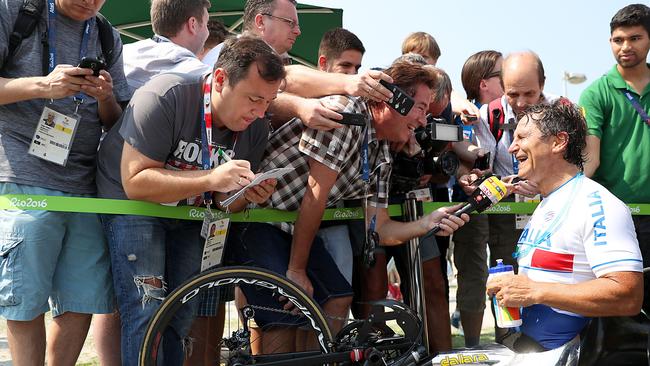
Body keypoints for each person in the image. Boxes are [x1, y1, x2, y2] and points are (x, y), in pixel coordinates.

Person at [228, 60, 469, 353]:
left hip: (287, 227)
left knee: (337, 297)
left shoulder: (381, 146)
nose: (423, 119)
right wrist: (296, 270)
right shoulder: (348, 113)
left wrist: (428, 223)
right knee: (288, 313)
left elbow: (379, 227)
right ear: (390, 100)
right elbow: (314, 197)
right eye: (419, 107)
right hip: (257, 221)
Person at [96, 36, 285, 366]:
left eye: (268, 102)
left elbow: (222, 203)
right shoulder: (166, 94)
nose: (259, 111)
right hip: (131, 202)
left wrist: (247, 196)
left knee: (183, 312)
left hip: (188, 212)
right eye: (254, 98)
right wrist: (212, 178)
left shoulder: (256, 128)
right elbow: (136, 182)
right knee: (147, 308)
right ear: (222, 79)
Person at [0, 0, 131, 364]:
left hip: (86, 186)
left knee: (82, 297)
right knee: (25, 298)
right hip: (22, 176)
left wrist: (105, 97)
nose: (91, 2)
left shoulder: (106, 32)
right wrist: (44, 85)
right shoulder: (16, 10)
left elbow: (116, 119)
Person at [487, 101, 643, 351]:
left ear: (559, 142)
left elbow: (627, 294)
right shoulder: (548, 201)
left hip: (574, 353)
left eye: (522, 137)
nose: (512, 147)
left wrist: (535, 290)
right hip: (532, 347)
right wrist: (511, 286)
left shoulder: (597, 204)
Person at [579, 3, 650, 314]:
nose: (625, 47)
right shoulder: (595, 93)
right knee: (620, 313)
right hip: (617, 221)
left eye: (635, 38)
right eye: (618, 39)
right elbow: (589, 160)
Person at [450, 50, 504, 347]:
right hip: (470, 205)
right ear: (484, 83)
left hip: (509, 206)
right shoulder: (461, 113)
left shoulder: (510, 111)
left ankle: (509, 341)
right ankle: (472, 344)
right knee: (472, 273)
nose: (508, 81)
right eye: (502, 75)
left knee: (509, 270)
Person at [122, 0, 212, 91]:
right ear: (193, 24)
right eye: (206, 24)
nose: (207, 32)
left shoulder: (122, 54)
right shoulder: (198, 74)